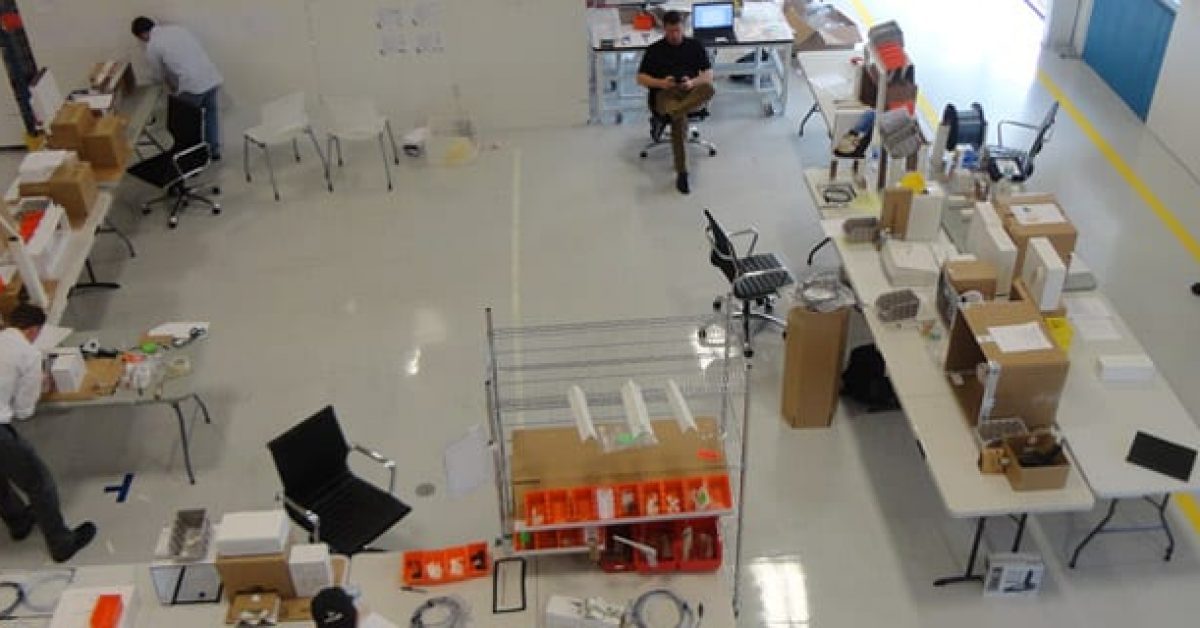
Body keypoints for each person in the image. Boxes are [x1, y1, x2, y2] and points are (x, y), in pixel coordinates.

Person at [0, 304, 96, 562]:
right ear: (33, 330)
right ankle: (61, 543)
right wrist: (40, 384)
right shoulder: (28, 355)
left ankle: (18, 522)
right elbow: (23, 411)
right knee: (38, 483)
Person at [636, 10, 716, 195]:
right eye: (670, 31)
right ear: (664, 29)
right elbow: (641, 78)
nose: (674, 35)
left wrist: (692, 82)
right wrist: (661, 83)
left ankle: (676, 112)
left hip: (690, 92)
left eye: (677, 31)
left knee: (709, 89)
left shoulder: (695, 46)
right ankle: (682, 172)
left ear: (683, 29)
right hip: (665, 93)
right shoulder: (655, 50)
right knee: (679, 121)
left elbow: (708, 75)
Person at [132, 16, 224, 161]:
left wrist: (169, 86)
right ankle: (214, 151)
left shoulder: (153, 45)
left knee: (185, 125)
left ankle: (193, 159)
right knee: (210, 115)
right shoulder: (177, 29)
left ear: (142, 34)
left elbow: (158, 75)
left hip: (192, 85)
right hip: (211, 77)